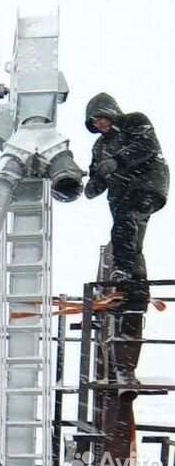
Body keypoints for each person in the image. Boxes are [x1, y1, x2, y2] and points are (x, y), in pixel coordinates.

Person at [84, 92, 169, 398]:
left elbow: (145, 148)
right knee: (130, 240)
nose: (101, 125)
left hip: (146, 184)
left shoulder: (135, 122)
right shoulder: (100, 145)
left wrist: (117, 161)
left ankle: (124, 274)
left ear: (111, 113)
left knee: (125, 227)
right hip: (121, 196)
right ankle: (135, 282)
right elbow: (98, 174)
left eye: (102, 118)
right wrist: (92, 184)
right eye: (95, 123)